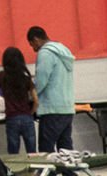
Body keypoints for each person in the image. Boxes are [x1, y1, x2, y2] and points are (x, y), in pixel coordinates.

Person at [26, 26, 76, 155]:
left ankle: (49, 175)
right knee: (65, 147)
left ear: (36, 39)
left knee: (46, 148)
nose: (33, 49)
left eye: (32, 44)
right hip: (67, 107)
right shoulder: (64, 51)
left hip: (51, 109)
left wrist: (31, 96)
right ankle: (69, 175)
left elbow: (41, 80)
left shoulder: (45, 53)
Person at [0, 47, 38, 154]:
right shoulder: (25, 77)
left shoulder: (2, 75)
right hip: (27, 118)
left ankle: (14, 170)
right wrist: (31, 112)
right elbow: (36, 101)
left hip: (11, 118)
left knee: (13, 153)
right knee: (32, 152)